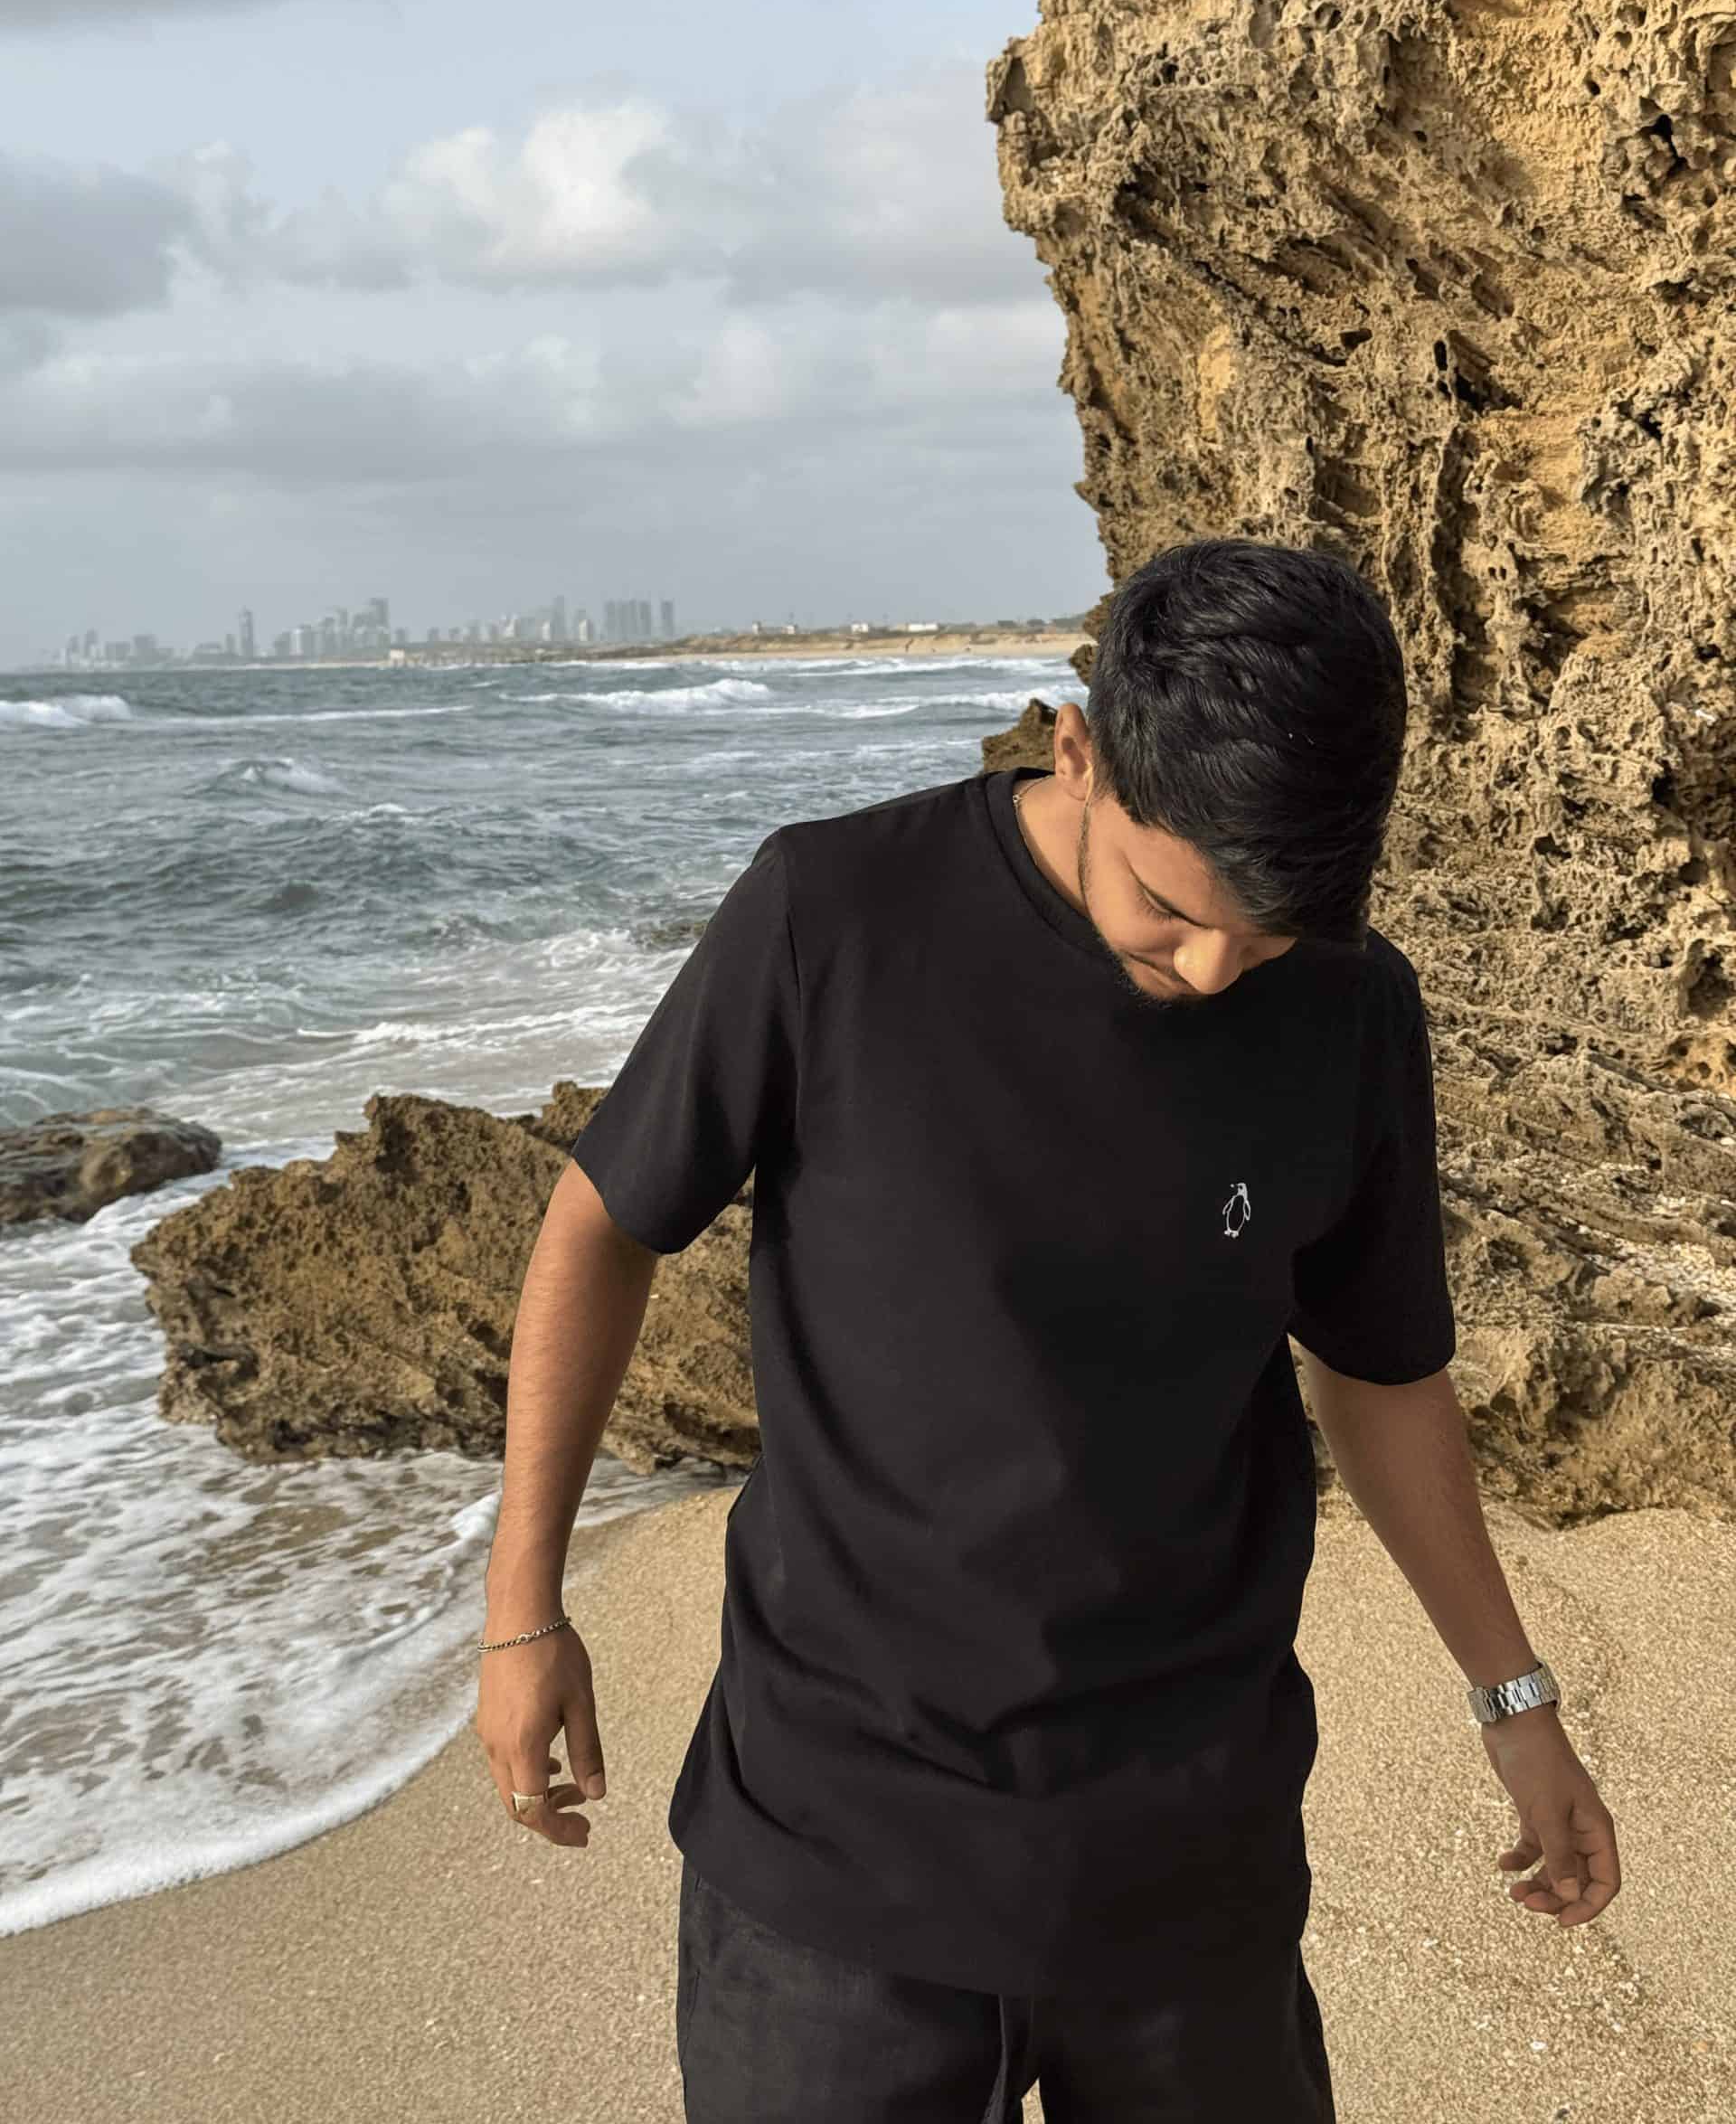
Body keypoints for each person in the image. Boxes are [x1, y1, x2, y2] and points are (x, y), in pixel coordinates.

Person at [476, 537, 1621, 2123]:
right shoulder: (832, 913)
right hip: (835, 1866)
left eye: (1264, 935)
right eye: (1168, 906)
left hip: (1188, 1865)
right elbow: (601, 1222)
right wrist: (521, 1611)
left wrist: (1515, 1702)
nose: (1210, 970)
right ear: (1076, 750)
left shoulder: (1353, 1006)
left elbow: (1381, 1373)